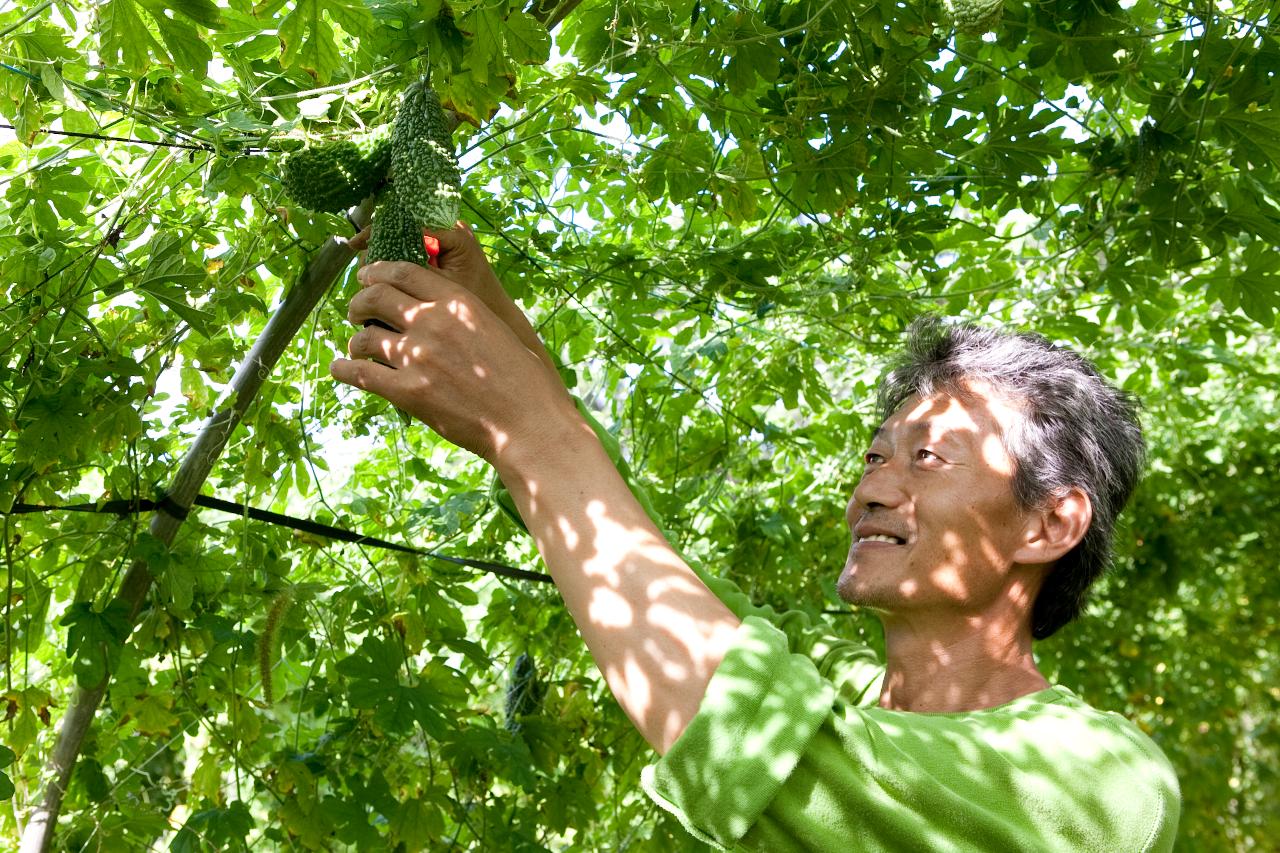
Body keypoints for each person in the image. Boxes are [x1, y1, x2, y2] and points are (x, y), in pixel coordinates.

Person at [331, 224, 1181, 851]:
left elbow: (780, 749)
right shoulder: (833, 685)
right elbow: (654, 570)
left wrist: (526, 427)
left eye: (928, 457)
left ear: (1050, 521)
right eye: (875, 455)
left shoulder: (1108, 779)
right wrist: (501, 331)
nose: (875, 486)